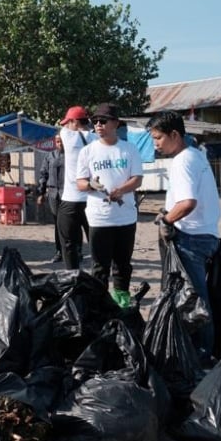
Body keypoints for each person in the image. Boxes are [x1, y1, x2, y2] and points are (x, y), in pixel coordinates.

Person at [147, 110, 221, 363]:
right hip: (206, 235)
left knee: (193, 303)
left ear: (175, 134)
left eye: (158, 138)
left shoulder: (182, 161)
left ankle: (200, 357)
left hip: (191, 238)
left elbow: (187, 202)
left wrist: (166, 219)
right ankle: (201, 352)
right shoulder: (196, 155)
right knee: (196, 297)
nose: (155, 143)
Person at [75, 103, 143, 307]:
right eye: (94, 121)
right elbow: (80, 182)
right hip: (99, 217)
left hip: (126, 216)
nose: (98, 125)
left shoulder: (128, 149)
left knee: (122, 263)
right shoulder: (87, 152)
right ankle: (99, 300)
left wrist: (121, 190)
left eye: (103, 121)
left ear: (115, 123)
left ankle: (121, 297)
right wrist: (91, 185)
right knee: (99, 264)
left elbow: (137, 179)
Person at [58, 105, 93, 269]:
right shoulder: (96, 139)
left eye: (68, 122)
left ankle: (72, 277)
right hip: (92, 198)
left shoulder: (67, 136)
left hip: (71, 199)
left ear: (73, 122)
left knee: (68, 243)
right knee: (96, 244)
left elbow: (61, 126)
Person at [36, 134, 65, 263]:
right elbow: (43, 174)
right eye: (58, 141)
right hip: (53, 193)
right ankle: (59, 251)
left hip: (68, 194)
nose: (60, 144)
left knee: (71, 224)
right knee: (58, 224)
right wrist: (41, 193)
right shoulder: (50, 156)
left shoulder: (72, 155)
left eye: (62, 141)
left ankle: (76, 251)